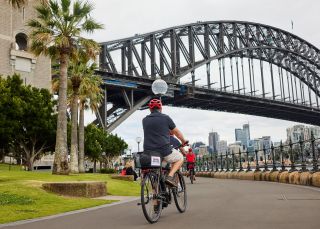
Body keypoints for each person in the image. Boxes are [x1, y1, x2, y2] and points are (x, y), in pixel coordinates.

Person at [143, 98, 188, 187]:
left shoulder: (144, 120)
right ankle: (170, 177)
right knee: (180, 158)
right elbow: (177, 133)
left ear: (150, 109)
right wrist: (183, 141)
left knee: (158, 170)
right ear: (161, 108)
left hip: (149, 152)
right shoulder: (166, 118)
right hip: (164, 150)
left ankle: (156, 194)